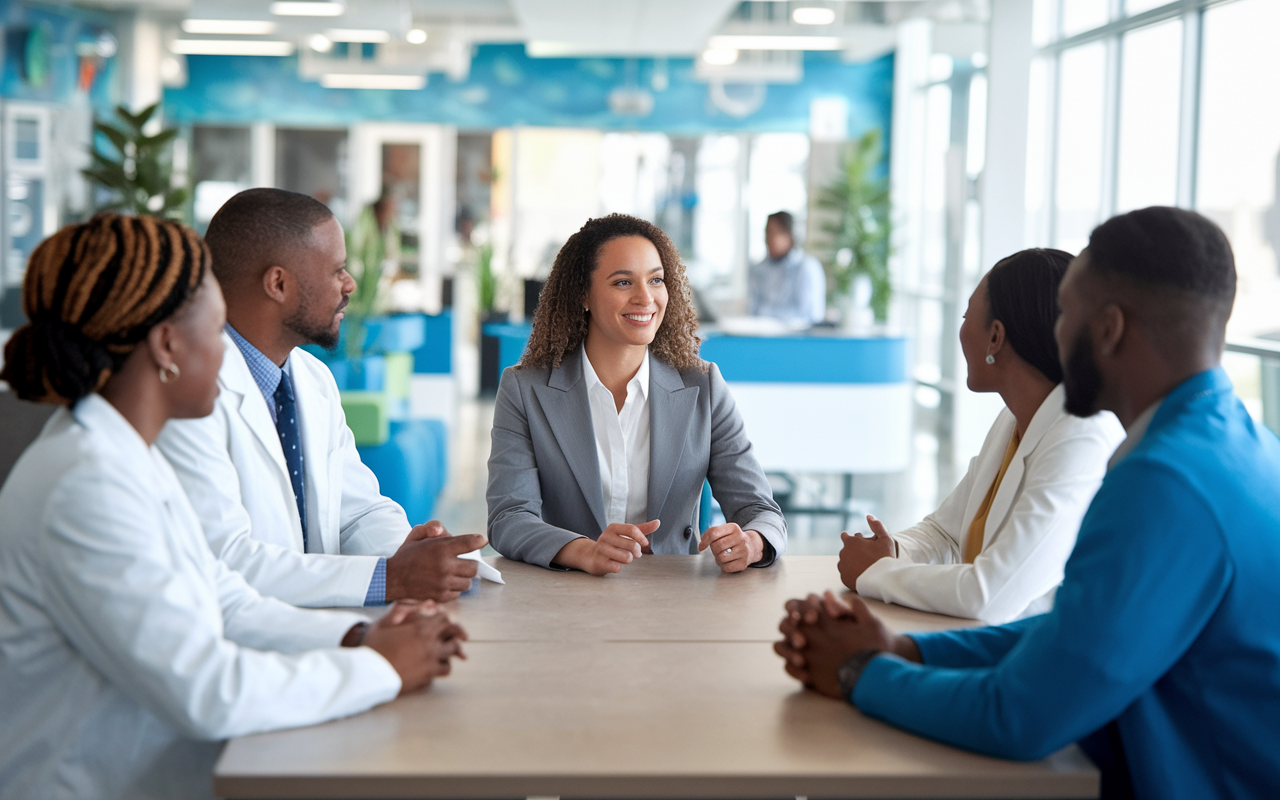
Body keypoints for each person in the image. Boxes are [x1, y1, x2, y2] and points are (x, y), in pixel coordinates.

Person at [776, 207, 1280, 799]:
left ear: (1109, 329)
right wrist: (904, 648)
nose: (1053, 331)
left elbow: (1020, 716)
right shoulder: (1239, 444)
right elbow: (1072, 636)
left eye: (1067, 311)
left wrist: (860, 671)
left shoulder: (1164, 484)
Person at [0, 213, 466, 800]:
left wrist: (356, 638)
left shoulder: (119, 456)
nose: (229, 357)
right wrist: (380, 669)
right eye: (217, 330)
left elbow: (225, 596)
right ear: (168, 345)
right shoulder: (85, 485)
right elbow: (206, 689)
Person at [157, 188, 484, 608]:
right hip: (248, 644)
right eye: (337, 270)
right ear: (278, 283)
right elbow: (225, 560)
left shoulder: (313, 380)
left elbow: (358, 511)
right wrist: (389, 577)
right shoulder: (189, 395)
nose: (349, 285)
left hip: (317, 631)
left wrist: (410, 552)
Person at [487, 214, 786, 575]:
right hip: (565, 599)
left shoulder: (703, 387)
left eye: (656, 280)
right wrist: (583, 551)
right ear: (583, 294)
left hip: (674, 600)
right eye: (623, 282)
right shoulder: (525, 390)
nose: (645, 298)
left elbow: (761, 510)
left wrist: (752, 542)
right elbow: (509, 517)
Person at [838, 248, 1124, 623]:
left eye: (964, 316)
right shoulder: (1013, 419)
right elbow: (946, 533)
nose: (959, 331)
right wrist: (892, 550)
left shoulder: (1081, 437)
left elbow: (989, 594)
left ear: (995, 337)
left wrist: (877, 573)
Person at [747, 210, 826, 325]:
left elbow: (810, 315)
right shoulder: (759, 269)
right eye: (767, 233)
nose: (769, 239)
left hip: (795, 339)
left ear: (790, 235)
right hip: (762, 338)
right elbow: (753, 311)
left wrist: (770, 319)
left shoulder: (806, 267)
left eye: (776, 233)